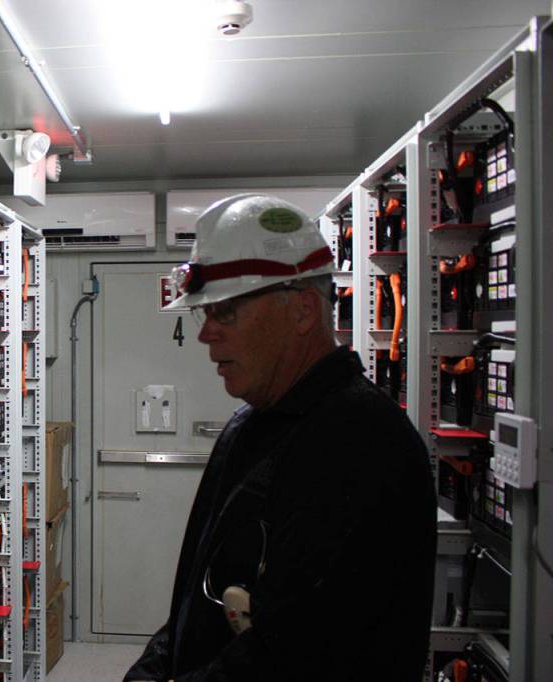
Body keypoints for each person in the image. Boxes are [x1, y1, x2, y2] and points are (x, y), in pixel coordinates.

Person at [124, 194, 436, 682]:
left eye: (225, 311)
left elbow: (295, 655)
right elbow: (200, 592)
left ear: (303, 311)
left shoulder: (364, 446)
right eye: (205, 313)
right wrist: (155, 665)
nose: (206, 334)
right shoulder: (252, 425)